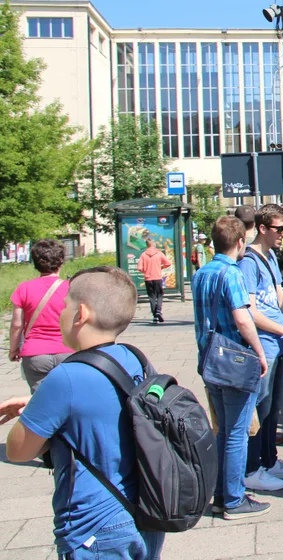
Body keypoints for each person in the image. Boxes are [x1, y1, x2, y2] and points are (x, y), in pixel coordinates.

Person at [0, 266, 166, 558]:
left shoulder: (65, 378)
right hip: (146, 509)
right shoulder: (134, 358)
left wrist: (35, 412)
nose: (60, 313)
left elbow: (18, 451)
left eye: (65, 306)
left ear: (81, 314)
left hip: (94, 525)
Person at [193, 215, 270, 520]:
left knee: (224, 431)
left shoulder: (200, 274)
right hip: (235, 362)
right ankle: (235, 500)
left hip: (210, 361)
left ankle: (222, 494)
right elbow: (242, 318)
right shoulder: (232, 273)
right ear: (240, 243)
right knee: (237, 432)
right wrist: (260, 351)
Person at [238, 204, 283, 493]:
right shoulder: (249, 262)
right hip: (263, 346)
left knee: (274, 407)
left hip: (278, 343)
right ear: (262, 228)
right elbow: (251, 310)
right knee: (260, 408)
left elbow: (280, 298)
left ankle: (270, 459)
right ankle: (253, 468)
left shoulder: (271, 257)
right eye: (279, 229)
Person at [8, 239, 72, 393]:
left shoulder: (24, 288)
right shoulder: (72, 288)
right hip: (68, 351)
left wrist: (13, 349)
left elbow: (17, 325)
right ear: (61, 262)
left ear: (35, 263)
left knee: (41, 403)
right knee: (70, 397)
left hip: (35, 354)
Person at [136, 238, 171, 324]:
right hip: (157, 277)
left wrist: (146, 270)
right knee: (159, 295)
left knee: (151, 296)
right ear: (154, 244)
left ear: (146, 245)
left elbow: (139, 268)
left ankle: (155, 315)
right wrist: (160, 267)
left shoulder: (143, 255)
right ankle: (158, 310)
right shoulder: (159, 253)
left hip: (148, 278)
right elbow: (168, 263)